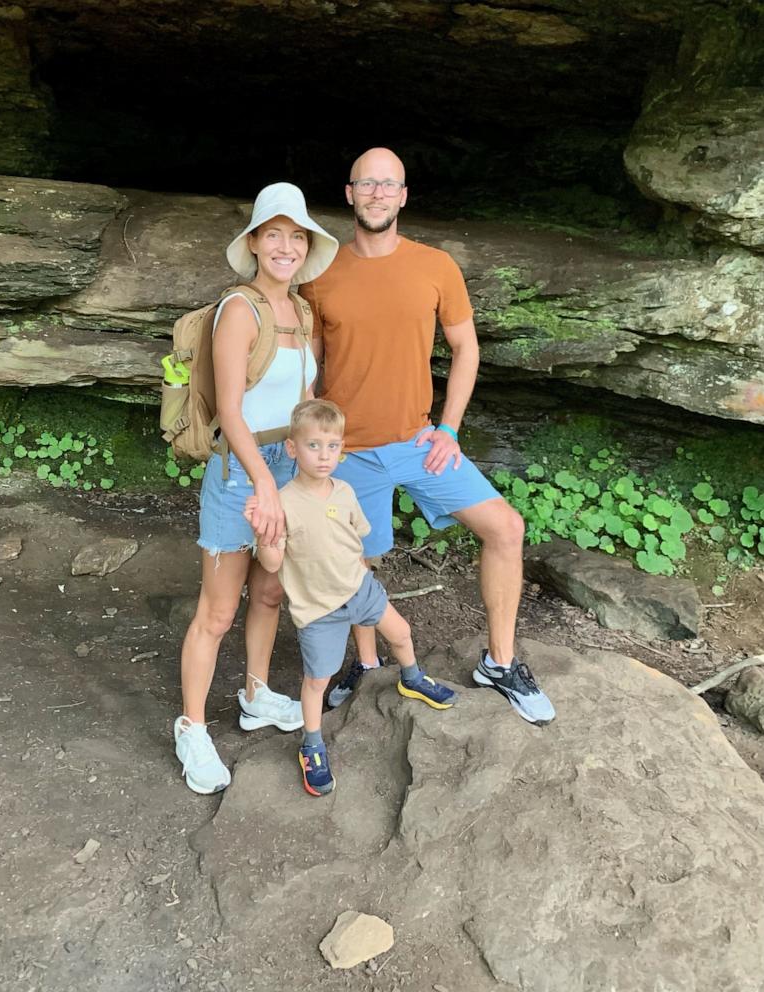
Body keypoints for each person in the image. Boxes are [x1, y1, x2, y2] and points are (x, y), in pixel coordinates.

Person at [299, 147, 555, 726]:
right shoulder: (321, 273)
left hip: (420, 442)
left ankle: (501, 661)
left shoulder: (436, 265)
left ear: (404, 196)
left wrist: (449, 428)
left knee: (506, 528)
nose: (378, 194)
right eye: (367, 184)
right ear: (349, 193)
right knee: (356, 559)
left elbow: (466, 349)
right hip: (349, 452)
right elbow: (310, 369)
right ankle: (363, 665)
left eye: (389, 185)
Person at [174, 183, 340, 795]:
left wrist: (308, 472)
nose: (286, 246)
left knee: (269, 592)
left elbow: (306, 402)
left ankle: (256, 694)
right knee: (217, 611)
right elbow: (231, 411)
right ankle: (191, 726)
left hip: (287, 462)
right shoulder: (237, 311)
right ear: (253, 243)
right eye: (275, 234)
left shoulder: (304, 313)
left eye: (297, 237)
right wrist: (266, 484)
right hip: (242, 469)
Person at [246, 399, 455, 796]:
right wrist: (263, 533)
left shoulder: (343, 490)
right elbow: (271, 565)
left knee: (401, 633)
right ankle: (312, 744)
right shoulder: (284, 502)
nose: (323, 456)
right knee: (317, 680)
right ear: (292, 448)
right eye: (313, 446)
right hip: (318, 611)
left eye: (332, 446)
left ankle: (411, 678)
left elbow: (356, 538)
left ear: (342, 450)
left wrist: (362, 580)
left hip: (359, 590)